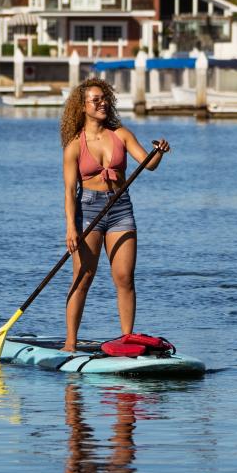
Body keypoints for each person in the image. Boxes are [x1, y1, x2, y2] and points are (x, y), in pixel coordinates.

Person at [59, 79, 169, 352]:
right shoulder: (74, 146)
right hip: (89, 210)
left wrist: (159, 152)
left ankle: (127, 340)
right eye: (95, 100)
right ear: (82, 107)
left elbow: (149, 165)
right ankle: (70, 342)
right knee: (83, 277)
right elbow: (69, 191)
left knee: (124, 277)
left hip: (120, 208)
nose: (102, 103)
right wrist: (71, 228)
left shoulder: (121, 134)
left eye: (105, 98)